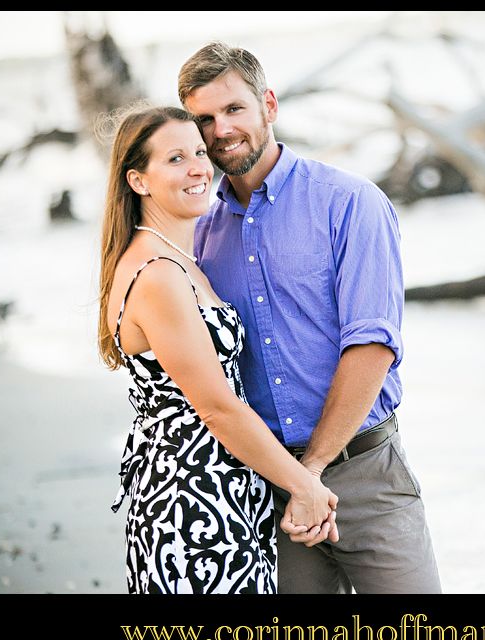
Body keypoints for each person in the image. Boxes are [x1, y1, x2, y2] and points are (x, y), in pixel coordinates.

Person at [178, 42, 442, 594]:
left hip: (366, 479)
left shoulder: (349, 203)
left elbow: (372, 346)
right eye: (203, 119)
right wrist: (292, 482)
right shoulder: (198, 236)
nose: (221, 130)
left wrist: (313, 474)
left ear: (268, 106)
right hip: (263, 496)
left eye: (233, 110)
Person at [98, 104, 339, 594]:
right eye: (175, 159)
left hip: (222, 491)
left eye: (200, 153)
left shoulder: (180, 260)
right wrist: (304, 485)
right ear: (138, 181)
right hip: (193, 505)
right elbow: (216, 406)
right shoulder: (159, 275)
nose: (198, 169)